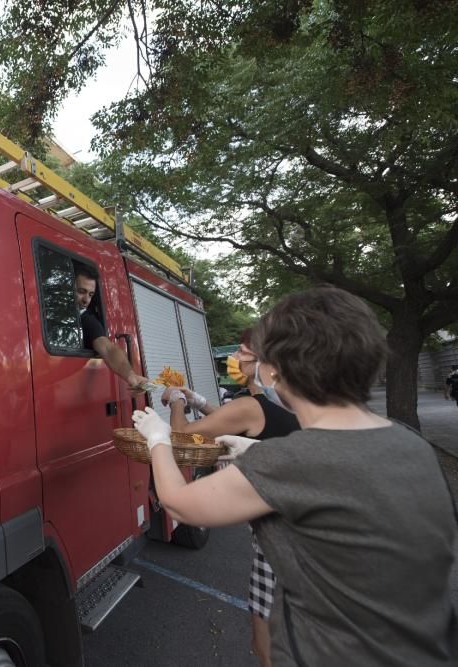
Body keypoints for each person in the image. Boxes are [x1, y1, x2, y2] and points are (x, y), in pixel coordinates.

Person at [131, 287, 457, 666]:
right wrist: (255, 451)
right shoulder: (411, 443)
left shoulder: (288, 460)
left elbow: (178, 504)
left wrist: (157, 438)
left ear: (274, 369)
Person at [161, 329, 299, 667]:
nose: (234, 357)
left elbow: (181, 436)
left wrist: (176, 400)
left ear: (265, 362)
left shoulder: (251, 405)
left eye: (242, 351)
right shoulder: (282, 400)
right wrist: (199, 402)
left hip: (278, 537)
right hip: (294, 525)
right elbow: (235, 422)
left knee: (267, 643)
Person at [74, 266, 148, 390]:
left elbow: (108, 349)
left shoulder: (88, 321)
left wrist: (130, 375)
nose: (86, 300)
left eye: (91, 294)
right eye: (81, 291)